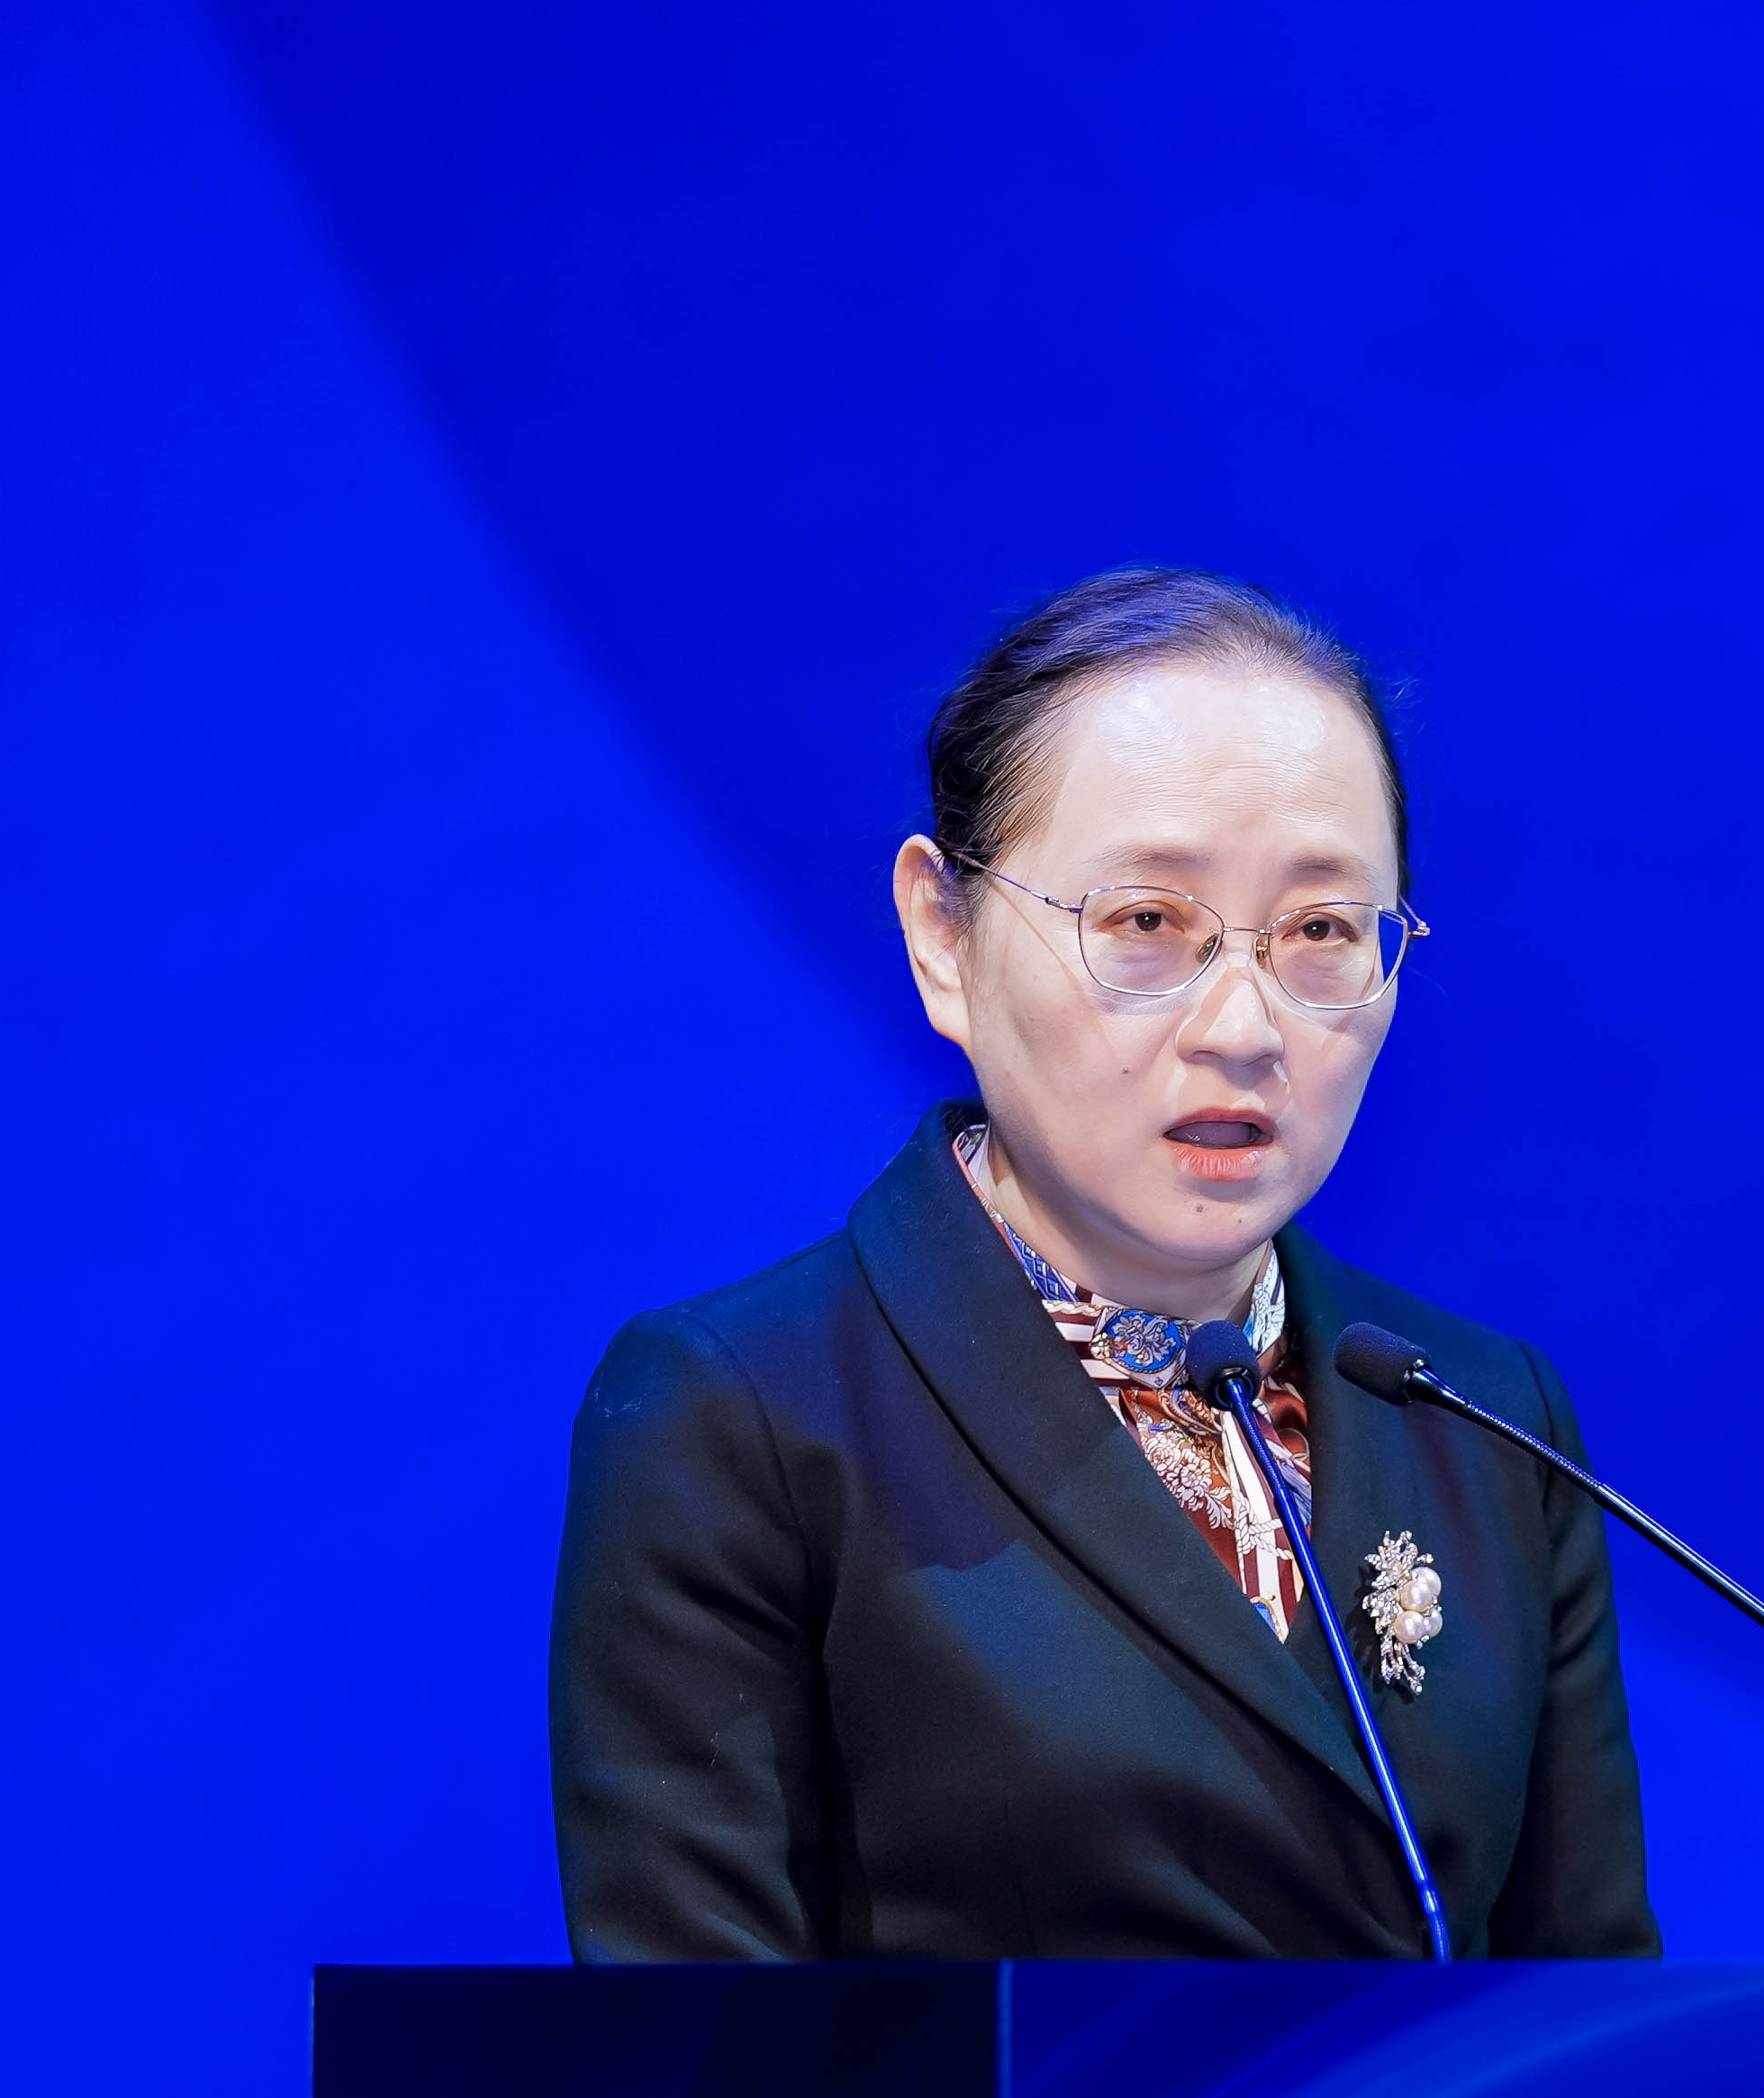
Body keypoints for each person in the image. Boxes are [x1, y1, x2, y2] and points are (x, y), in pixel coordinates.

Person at [549, 570, 1657, 1958]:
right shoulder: (743, 1417)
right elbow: (702, 2063)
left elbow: (1592, 2032)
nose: (1244, 1027)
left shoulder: (1482, 1417)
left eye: (1322, 931)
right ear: (943, 935)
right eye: (1146, 923)